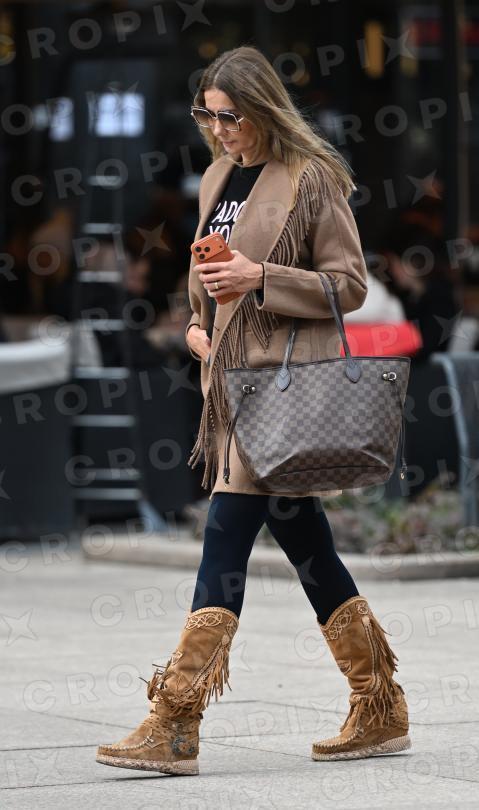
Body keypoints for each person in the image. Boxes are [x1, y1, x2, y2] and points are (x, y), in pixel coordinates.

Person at [96, 45, 411, 775]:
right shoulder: (217, 176)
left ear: (263, 108)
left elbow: (348, 284)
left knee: (224, 538)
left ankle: (175, 721)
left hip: (280, 390)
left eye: (230, 116)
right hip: (228, 384)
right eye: (207, 116)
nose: (218, 129)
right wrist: (196, 323)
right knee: (309, 547)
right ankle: (380, 706)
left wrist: (260, 275)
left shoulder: (311, 178)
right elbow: (206, 278)